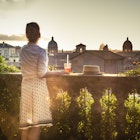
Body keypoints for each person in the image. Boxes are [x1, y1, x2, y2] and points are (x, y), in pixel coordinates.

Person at [19, 22, 66, 140]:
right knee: (36, 124)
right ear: (39, 35)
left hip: (25, 87)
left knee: (25, 124)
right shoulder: (41, 52)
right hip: (37, 90)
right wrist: (60, 72)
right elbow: (41, 73)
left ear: (26, 35)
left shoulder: (22, 50)